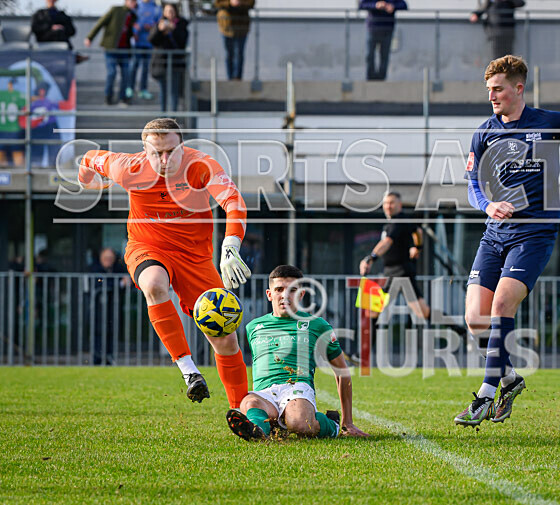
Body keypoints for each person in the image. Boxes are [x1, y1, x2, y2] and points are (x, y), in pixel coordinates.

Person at [454, 55, 560, 426]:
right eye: (489, 90)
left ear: (519, 88)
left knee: (502, 307)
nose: (492, 96)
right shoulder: (483, 132)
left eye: (498, 89)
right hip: (494, 236)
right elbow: (472, 185)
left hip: (535, 235)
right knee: (475, 320)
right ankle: (510, 379)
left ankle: (484, 394)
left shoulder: (550, 121)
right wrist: (488, 206)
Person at [77, 117, 253, 409]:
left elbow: (233, 201)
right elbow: (89, 158)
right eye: (156, 152)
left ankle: (241, 411)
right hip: (147, 246)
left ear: (182, 145)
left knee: (225, 338)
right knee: (154, 284)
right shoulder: (126, 167)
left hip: (195, 257)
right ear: (143, 150)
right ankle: (190, 372)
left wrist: (231, 243)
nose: (164, 158)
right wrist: (87, 181)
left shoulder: (201, 165)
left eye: (171, 150)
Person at [226, 265, 369, 441]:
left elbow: (342, 372)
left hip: (297, 388)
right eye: (279, 289)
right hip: (264, 393)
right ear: (269, 294)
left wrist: (348, 422)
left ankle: (332, 424)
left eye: (292, 290)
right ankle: (258, 431)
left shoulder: (317, 325)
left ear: (301, 294)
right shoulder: (253, 327)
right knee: (249, 402)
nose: (285, 295)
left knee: (299, 423)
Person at [360, 191, 429, 321]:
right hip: (397, 272)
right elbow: (418, 231)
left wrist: (371, 258)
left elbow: (387, 242)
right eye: (386, 203)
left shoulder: (397, 221)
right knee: (422, 311)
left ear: (399, 205)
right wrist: (417, 247)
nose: (388, 206)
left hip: (398, 272)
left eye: (391, 203)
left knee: (372, 311)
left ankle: (366, 341)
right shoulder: (402, 220)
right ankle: (460, 331)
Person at [85, 0, 139, 106]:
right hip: (111, 48)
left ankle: (123, 97)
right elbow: (101, 22)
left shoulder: (133, 15)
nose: (134, 3)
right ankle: (108, 96)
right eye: (132, 1)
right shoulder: (116, 10)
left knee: (126, 74)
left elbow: (131, 32)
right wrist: (90, 37)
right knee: (111, 72)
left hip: (125, 50)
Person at [89, 247, 129, 365]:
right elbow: (102, 284)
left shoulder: (118, 268)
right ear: (101, 258)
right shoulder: (95, 268)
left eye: (110, 258)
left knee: (112, 330)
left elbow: (127, 279)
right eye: (106, 258)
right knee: (98, 331)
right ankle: (97, 357)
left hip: (113, 307)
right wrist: (120, 283)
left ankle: (109, 357)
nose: (108, 260)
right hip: (97, 308)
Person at [148, 3, 189, 112]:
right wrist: (159, 30)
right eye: (167, 11)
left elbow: (182, 43)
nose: (169, 14)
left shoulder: (181, 25)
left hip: (175, 64)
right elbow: (152, 40)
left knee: (173, 91)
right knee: (163, 91)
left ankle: (173, 118)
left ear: (176, 12)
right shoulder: (159, 24)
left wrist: (173, 30)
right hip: (161, 63)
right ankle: (163, 117)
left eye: (171, 11)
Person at [359, 1, 407, 81]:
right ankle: (370, 77)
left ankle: (381, 78)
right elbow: (362, 4)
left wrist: (393, 6)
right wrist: (375, 5)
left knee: (385, 55)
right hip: (372, 29)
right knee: (370, 54)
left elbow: (403, 4)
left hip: (387, 29)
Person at [214, 0, 255, 81]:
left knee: (239, 53)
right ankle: (230, 77)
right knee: (229, 54)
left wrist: (240, 3)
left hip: (242, 27)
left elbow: (251, 3)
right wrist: (230, 3)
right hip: (226, 28)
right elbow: (217, 3)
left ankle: (237, 77)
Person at [131, 0, 162, 101]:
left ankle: (143, 90)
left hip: (149, 44)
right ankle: (130, 88)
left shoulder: (156, 7)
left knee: (145, 68)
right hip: (137, 43)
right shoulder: (136, 5)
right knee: (134, 66)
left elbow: (159, 24)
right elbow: (130, 22)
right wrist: (135, 30)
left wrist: (152, 27)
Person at [0, 80, 25, 168]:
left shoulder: (2, 94)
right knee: (17, 155)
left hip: (2, 129)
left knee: (2, 155)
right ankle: (22, 176)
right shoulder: (18, 94)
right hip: (14, 130)